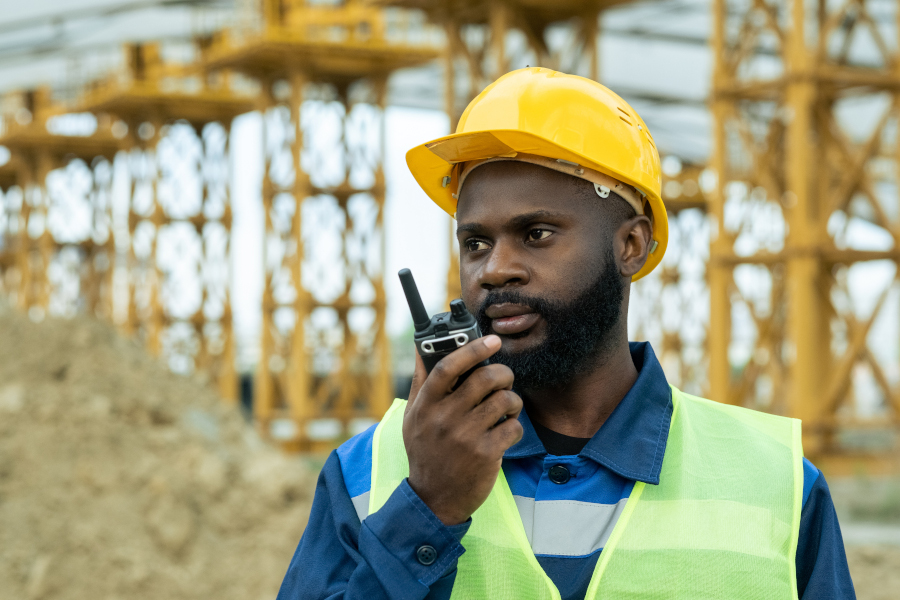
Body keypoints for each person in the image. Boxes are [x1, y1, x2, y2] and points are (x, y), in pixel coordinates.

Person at [277, 68, 855, 599]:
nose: (494, 268)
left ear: (630, 245)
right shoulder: (367, 475)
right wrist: (428, 509)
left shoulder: (777, 486)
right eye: (474, 242)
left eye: (537, 233)